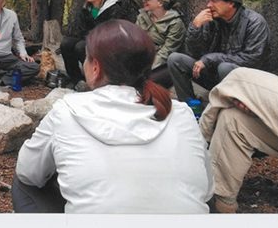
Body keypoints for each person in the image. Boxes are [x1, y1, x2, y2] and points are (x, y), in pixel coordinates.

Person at [13, 19, 214, 213]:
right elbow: (206, 191)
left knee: (23, 184)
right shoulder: (182, 114)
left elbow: (27, 172)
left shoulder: (66, 111)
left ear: (96, 67)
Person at [167, 0, 271, 102]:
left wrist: (210, 59)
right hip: (216, 76)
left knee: (225, 67)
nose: (208, 5)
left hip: (246, 83)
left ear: (231, 3)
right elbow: (195, 54)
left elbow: (252, 60)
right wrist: (195, 27)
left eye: (214, 1)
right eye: (209, 0)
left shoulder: (254, 22)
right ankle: (189, 105)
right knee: (175, 59)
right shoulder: (211, 20)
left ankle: (225, 109)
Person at [199, 67, 278, 213]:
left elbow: (210, 113)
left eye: (239, 99)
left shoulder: (239, 78)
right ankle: (222, 199)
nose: (240, 105)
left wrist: (201, 142)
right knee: (233, 120)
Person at [60, 0, 121, 91]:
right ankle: (77, 80)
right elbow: (81, 30)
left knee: (80, 47)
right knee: (66, 43)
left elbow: (110, 33)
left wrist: (88, 39)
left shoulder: (114, 9)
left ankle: (97, 79)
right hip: (89, 39)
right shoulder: (87, 9)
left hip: (107, 45)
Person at [135, 0, 186, 88]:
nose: (144, 1)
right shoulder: (142, 18)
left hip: (165, 65)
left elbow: (167, 51)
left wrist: (147, 68)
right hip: (144, 60)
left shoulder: (175, 23)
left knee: (145, 81)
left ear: (160, 3)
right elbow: (134, 41)